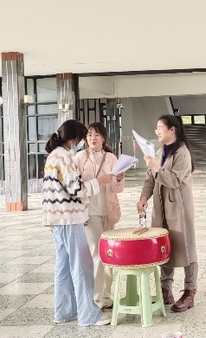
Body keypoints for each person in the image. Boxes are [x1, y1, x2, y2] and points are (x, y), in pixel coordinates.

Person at [42, 119, 111, 327]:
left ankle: (64, 312)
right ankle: (89, 315)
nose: (83, 141)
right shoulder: (65, 157)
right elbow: (76, 189)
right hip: (69, 219)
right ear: (74, 138)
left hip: (58, 219)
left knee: (63, 267)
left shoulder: (53, 156)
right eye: (82, 137)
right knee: (82, 266)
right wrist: (98, 182)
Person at [136, 114, 198, 313]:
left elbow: (174, 181)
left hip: (179, 208)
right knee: (164, 246)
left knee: (187, 246)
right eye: (156, 128)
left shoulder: (182, 153)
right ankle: (165, 289)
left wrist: (156, 168)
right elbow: (150, 179)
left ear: (173, 130)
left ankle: (190, 291)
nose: (157, 131)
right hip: (160, 207)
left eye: (160, 128)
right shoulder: (159, 152)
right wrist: (144, 198)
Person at [74, 122, 125, 310]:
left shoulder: (111, 158)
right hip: (90, 212)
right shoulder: (79, 158)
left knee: (109, 254)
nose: (92, 138)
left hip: (108, 212)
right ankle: (95, 298)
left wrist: (119, 179)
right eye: (89, 135)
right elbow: (76, 188)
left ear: (103, 138)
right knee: (97, 254)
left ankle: (106, 296)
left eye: (96, 135)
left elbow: (117, 189)